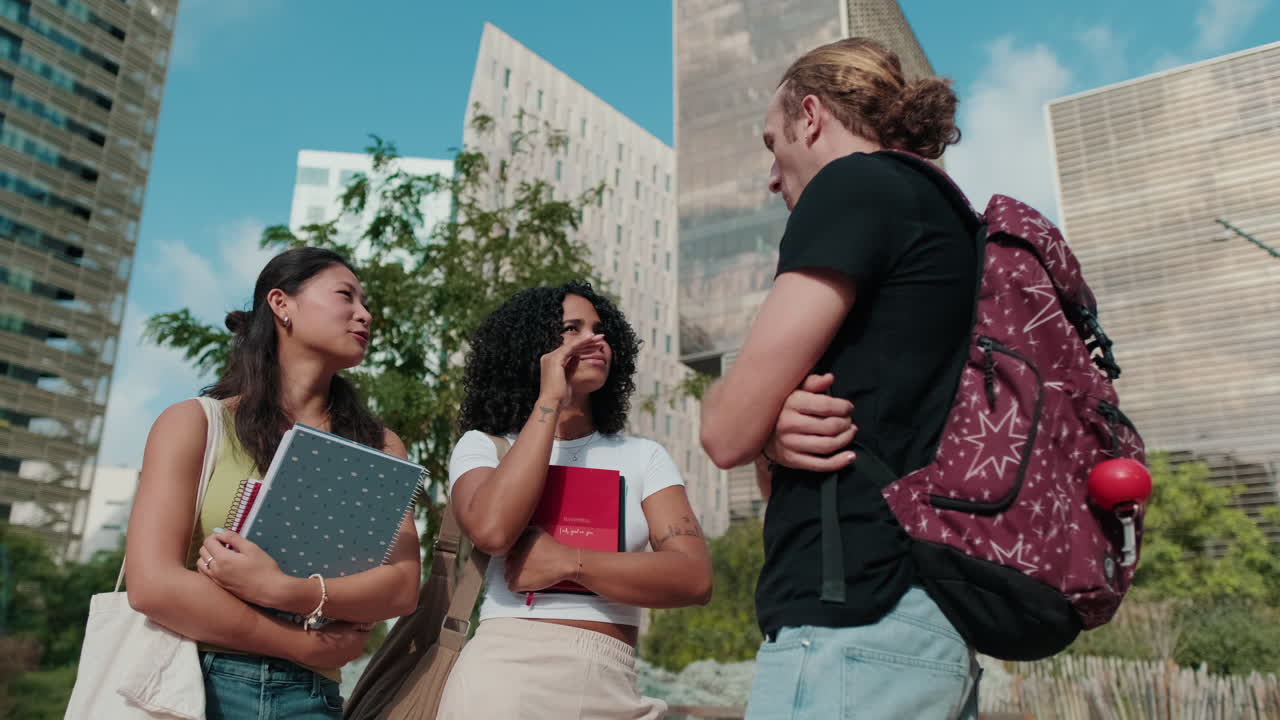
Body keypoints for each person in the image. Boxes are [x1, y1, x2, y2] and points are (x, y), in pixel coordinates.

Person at [700, 38, 982, 719]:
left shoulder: (853, 187)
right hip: (928, 618)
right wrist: (775, 433)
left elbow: (722, 432)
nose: (773, 174)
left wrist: (758, 421)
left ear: (812, 114)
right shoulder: (949, 218)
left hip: (855, 622)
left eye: (775, 143)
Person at [125, 247, 421, 719]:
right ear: (281, 304)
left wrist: (284, 590)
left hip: (312, 699)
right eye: (346, 296)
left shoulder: (379, 445)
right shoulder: (195, 424)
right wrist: (301, 644)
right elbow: (152, 585)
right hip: (190, 686)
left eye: (366, 304)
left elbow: (402, 588)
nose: (364, 314)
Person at [437, 280, 713, 719]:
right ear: (530, 348)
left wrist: (570, 561)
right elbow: (492, 530)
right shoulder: (485, 447)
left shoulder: (643, 457)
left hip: (615, 682)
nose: (595, 338)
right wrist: (549, 398)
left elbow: (694, 577)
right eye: (573, 328)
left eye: (601, 329)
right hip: (505, 678)